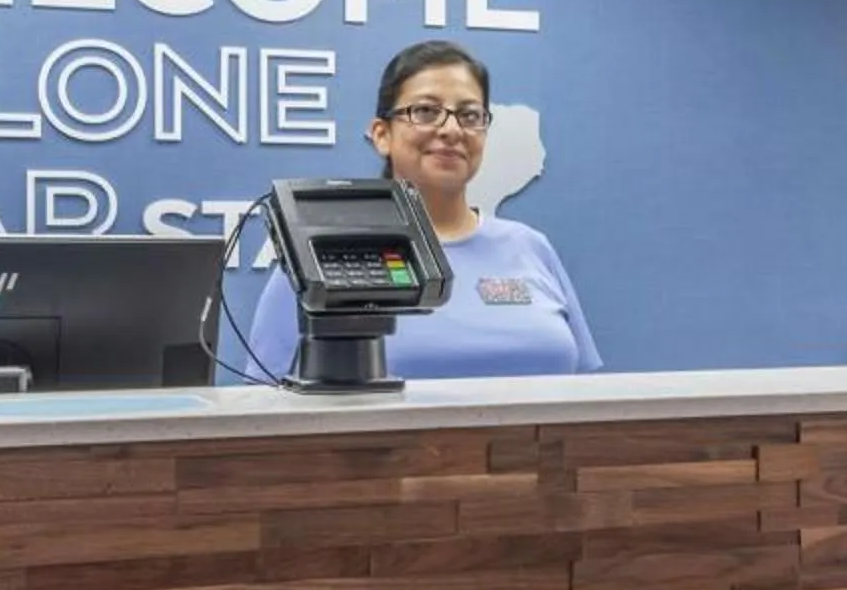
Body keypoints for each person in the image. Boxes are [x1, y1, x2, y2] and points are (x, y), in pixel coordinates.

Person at [245, 42, 599, 380]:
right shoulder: (320, 257)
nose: (451, 130)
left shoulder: (530, 247)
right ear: (382, 135)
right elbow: (266, 414)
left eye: (469, 115)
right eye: (426, 111)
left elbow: (587, 397)